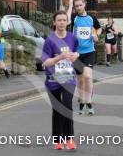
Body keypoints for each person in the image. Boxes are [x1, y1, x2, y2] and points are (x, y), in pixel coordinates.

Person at [42, 11, 79, 150]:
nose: (62, 22)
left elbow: (77, 51)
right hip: (53, 80)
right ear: (54, 22)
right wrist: (60, 57)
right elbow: (46, 62)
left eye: (64, 20)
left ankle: (69, 139)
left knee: (67, 105)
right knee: (57, 109)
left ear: (67, 22)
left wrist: (76, 55)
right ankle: (58, 140)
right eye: (59, 20)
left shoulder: (73, 38)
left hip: (69, 78)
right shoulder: (49, 40)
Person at [67, 0, 101, 115]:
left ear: (84, 5)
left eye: (80, 5)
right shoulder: (74, 17)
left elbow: (99, 28)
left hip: (89, 51)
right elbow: (66, 21)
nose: (79, 8)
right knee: (80, 80)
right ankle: (82, 104)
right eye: (77, 6)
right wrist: (70, 5)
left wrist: (96, 35)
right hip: (76, 53)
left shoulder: (91, 18)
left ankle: (89, 102)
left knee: (87, 76)